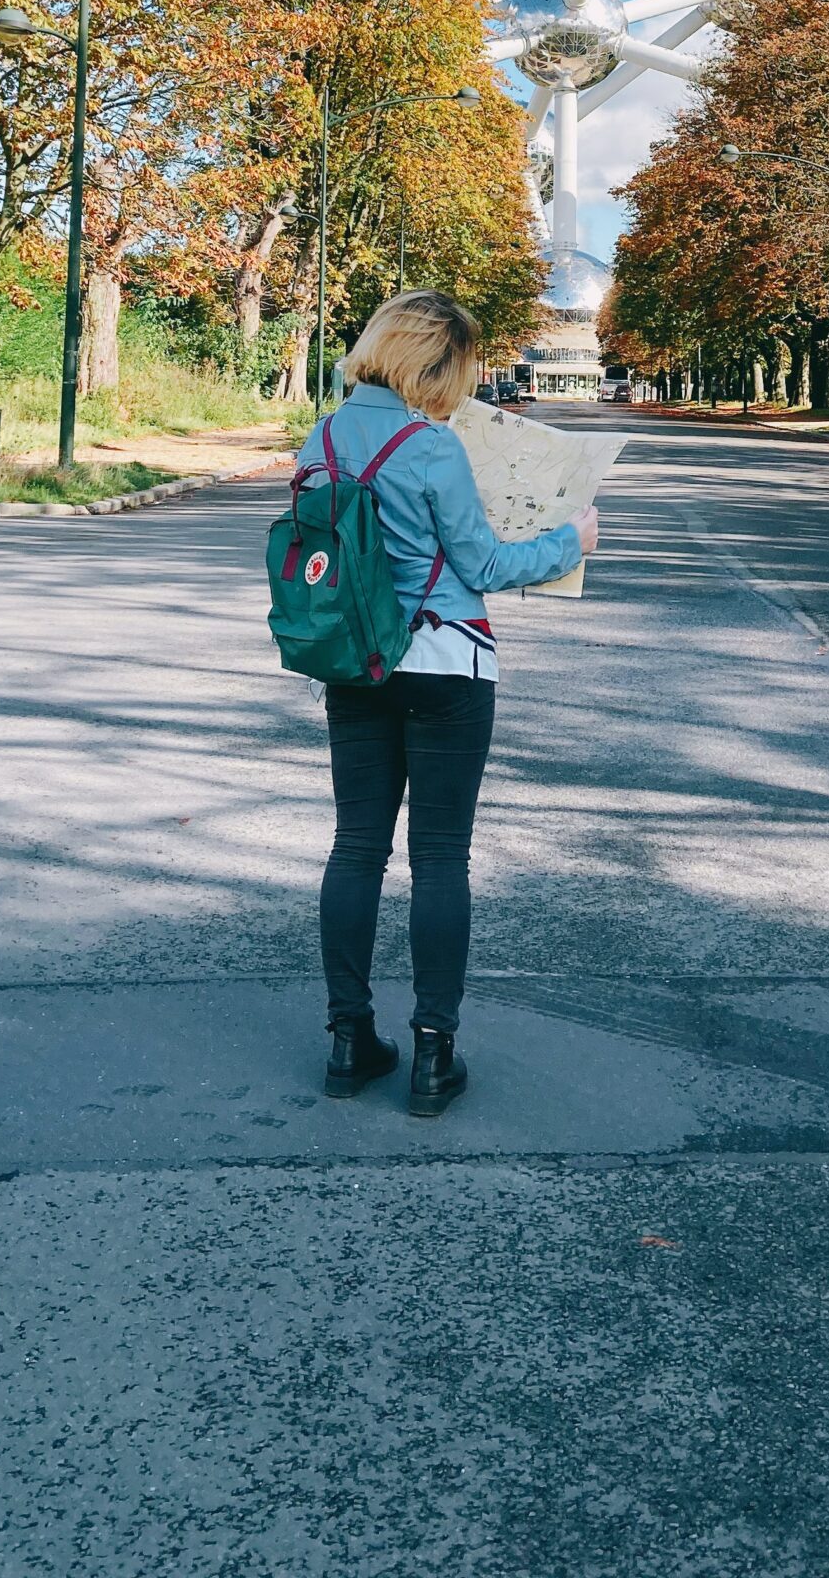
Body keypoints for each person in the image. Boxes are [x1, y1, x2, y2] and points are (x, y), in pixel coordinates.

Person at [298, 289, 597, 1116]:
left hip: (355, 664)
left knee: (356, 847)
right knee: (439, 860)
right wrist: (571, 540)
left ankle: (348, 1039)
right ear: (429, 363)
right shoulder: (431, 447)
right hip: (446, 667)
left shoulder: (317, 439)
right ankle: (434, 1053)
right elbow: (487, 567)